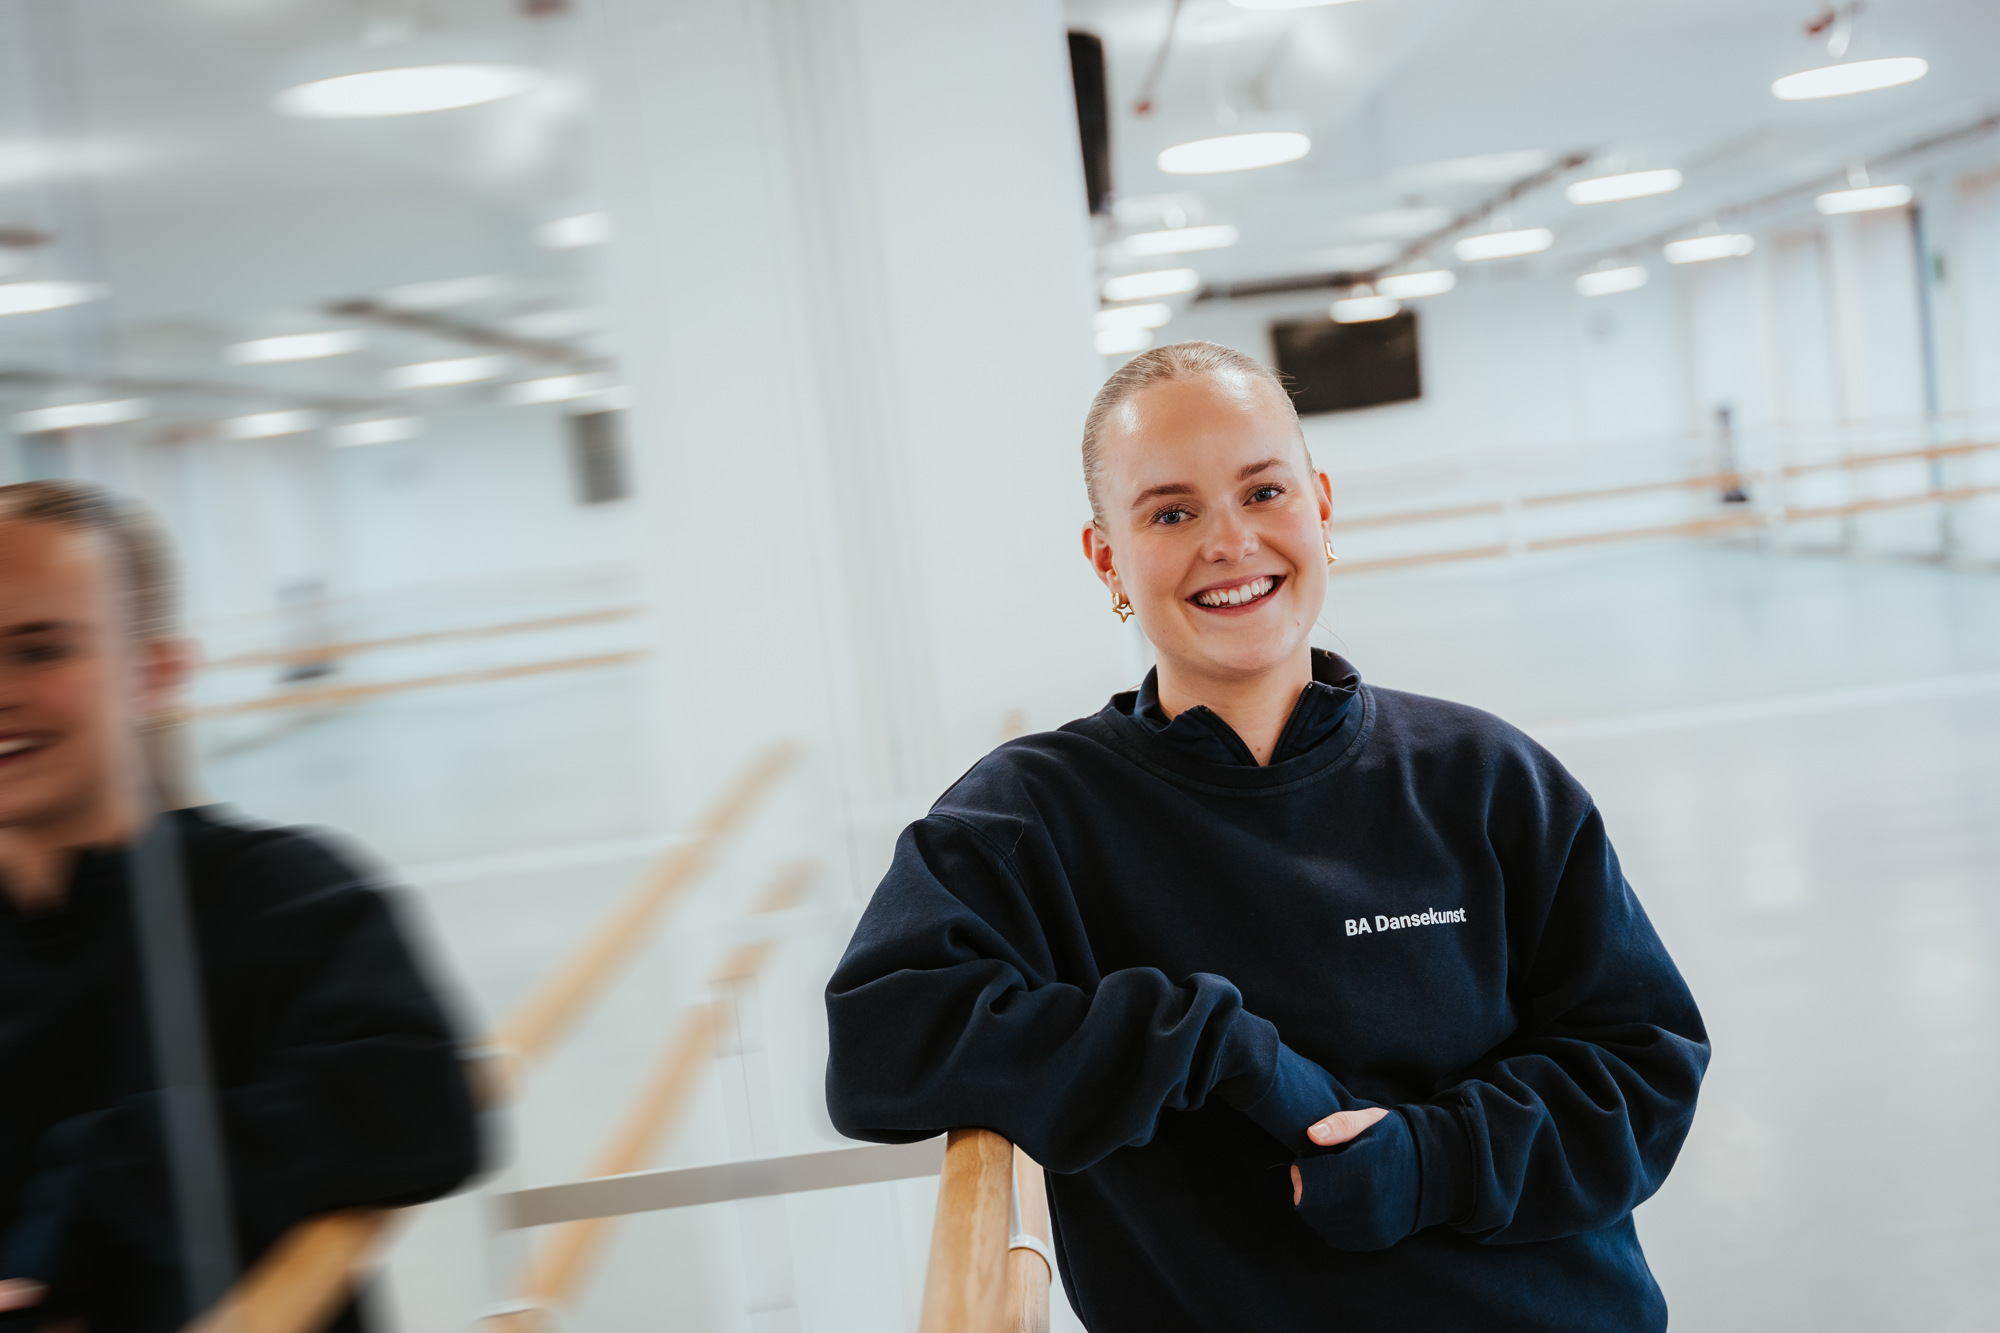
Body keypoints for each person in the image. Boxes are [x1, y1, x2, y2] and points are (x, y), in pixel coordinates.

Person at [824, 342, 1709, 1330]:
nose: (1229, 541)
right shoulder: (1032, 815)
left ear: (1320, 505)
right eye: (1169, 511)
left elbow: (1642, 1062)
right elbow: (882, 1044)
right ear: (1107, 556)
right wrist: (1204, 1042)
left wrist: (1431, 1160)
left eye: (1262, 491)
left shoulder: (1487, 776)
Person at [0, 481, 481, 1332]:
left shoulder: (283, 896)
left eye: (39, 650)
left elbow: (419, 1104)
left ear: (156, 671)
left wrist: (108, 1167)